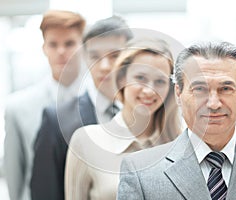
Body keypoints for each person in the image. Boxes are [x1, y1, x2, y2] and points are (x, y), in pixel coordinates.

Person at [117, 42, 236, 200]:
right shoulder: (141, 172)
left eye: (225, 88)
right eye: (199, 89)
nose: (213, 103)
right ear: (178, 94)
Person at [64, 38, 182, 200]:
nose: (149, 90)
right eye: (140, 78)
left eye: (160, 81)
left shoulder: (179, 146)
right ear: (121, 79)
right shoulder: (86, 140)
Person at [30, 16, 132, 200]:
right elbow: (45, 191)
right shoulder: (57, 120)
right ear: (85, 57)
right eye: (95, 56)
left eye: (115, 55)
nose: (104, 66)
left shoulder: (147, 117)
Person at [4, 10, 85, 200]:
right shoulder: (18, 107)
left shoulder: (101, 105)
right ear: (44, 48)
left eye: (69, 43)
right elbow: (15, 177)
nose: (61, 51)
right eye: (53, 44)